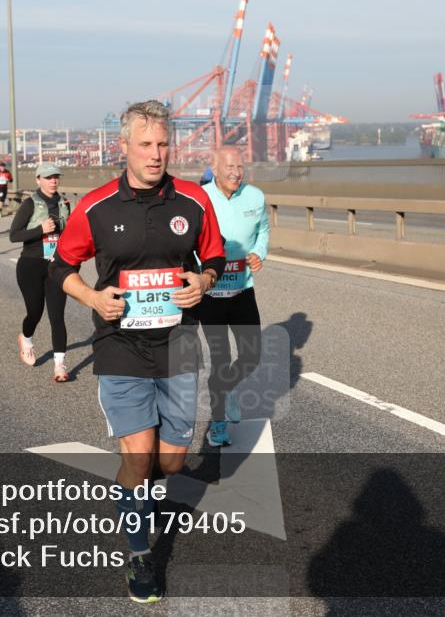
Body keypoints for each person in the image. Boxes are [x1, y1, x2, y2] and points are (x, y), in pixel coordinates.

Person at [50, 100, 225, 604]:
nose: (156, 154)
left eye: (163, 144)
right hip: (119, 344)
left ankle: (144, 481)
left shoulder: (193, 200)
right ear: (122, 146)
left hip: (177, 343)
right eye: (145, 144)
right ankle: (139, 553)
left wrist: (203, 280)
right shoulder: (95, 207)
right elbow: (61, 268)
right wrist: (92, 297)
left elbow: (213, 255)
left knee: (170, 465)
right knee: (139, 455)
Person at [199, 146, 269, 447]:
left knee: (252, 356)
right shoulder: (201, 198)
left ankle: (225, 390)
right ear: (213, 168)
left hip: (242, 290)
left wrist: (258, 252)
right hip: (211, 295)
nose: (235, 172)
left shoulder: (255, 196)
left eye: (240, 166)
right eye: (228, 166)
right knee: (220, 359)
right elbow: (189, 238)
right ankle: (217, 425)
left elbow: (263, 230)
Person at [10, 163, 71, 381]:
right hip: (30, 265)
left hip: (56, 266)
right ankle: (26, 339)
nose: (53, 181)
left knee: (57, 316)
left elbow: (69, 234)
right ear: (38, 180)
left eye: (56, 177)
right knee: (35, 312)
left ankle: (60, 366)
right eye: (48, 177)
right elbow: (14, 235)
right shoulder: (30, 204)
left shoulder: (64, 203)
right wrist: (40, 230)